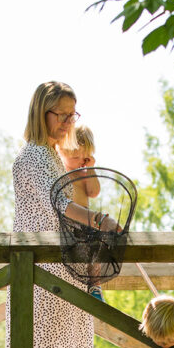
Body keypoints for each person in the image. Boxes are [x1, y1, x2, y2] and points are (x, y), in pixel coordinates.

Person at [0, 81, 118, 348]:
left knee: (60, 345)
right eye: (60, 114)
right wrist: (99, 221)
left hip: (58, 264)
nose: (67, 122)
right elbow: (59, 204)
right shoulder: (32, 156)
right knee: (31, 344)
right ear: (41, 112)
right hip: (39, 266)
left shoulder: (49, 154)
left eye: (72, 115)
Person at [57, 124, 105, 300]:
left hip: (85, 220)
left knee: (96, 245)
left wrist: (90, 169)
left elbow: (94, 192)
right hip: (67, 220)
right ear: (62, 150)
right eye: (75, 156)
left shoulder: (83, 174)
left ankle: (95, 285)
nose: (79, 161)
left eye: (83, 157)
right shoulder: (60, 171)